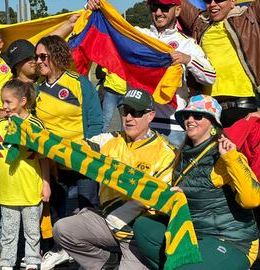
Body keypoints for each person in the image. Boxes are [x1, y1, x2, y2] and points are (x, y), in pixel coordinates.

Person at [52, 89, 176, 270]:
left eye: (136, 112)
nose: (129, 118)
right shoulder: (109, 139)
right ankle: (106, 262)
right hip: (106, 221)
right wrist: (41, 141)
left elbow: (160, 204)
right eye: (125, 111)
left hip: (136, 235)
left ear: (150, 116)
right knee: (62, 229)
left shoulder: (166, 152)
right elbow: (74, 149)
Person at [133, 94, 260, 269]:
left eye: (198, 116)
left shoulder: (225, 155)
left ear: (213, 123)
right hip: (195, 232)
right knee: (144, 227)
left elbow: (252, 199)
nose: (190, 120)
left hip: (232, 240)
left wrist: (231, 159)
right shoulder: (182, 153)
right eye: (187, 116)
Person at [87, 0, 216, 147]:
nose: (159, 12)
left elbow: (210, 77)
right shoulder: (137, 35)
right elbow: (108, 29)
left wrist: (188, 60)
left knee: (167, 170)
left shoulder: (187, 44)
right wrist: (94, 9)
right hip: (136, 123)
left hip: (171, 127)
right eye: (155, 7)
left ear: (178, 10)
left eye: (165, 8)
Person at [34, 35, 103, 270]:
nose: (39, 61)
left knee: (87, 208)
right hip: (52, 165)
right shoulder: (36, 90)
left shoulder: (80, 83)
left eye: (43, 56)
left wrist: (87, 150)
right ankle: (59, 250)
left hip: (83, 161)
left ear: (56, 55)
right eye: (37, 57)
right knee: (55, 210)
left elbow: (95, 121)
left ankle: (92, 253)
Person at [0, 79, 50, 270]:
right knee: (8, 232)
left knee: (32, 231)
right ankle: (6, 263)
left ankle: (32, 261)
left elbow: (44, 156)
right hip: (8, 191)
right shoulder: (2, 125)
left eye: (8, 102)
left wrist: (46, 184)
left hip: (31, 189)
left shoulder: (35, 124)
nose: (4, 106)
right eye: (3, 102)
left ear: (22, 101)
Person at [178, 0, 260, 127]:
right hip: (208, 111)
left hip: (245, 109)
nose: (213, 4)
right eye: (207, 0)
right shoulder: (199, 21)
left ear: (233, 2)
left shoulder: (250, 15)